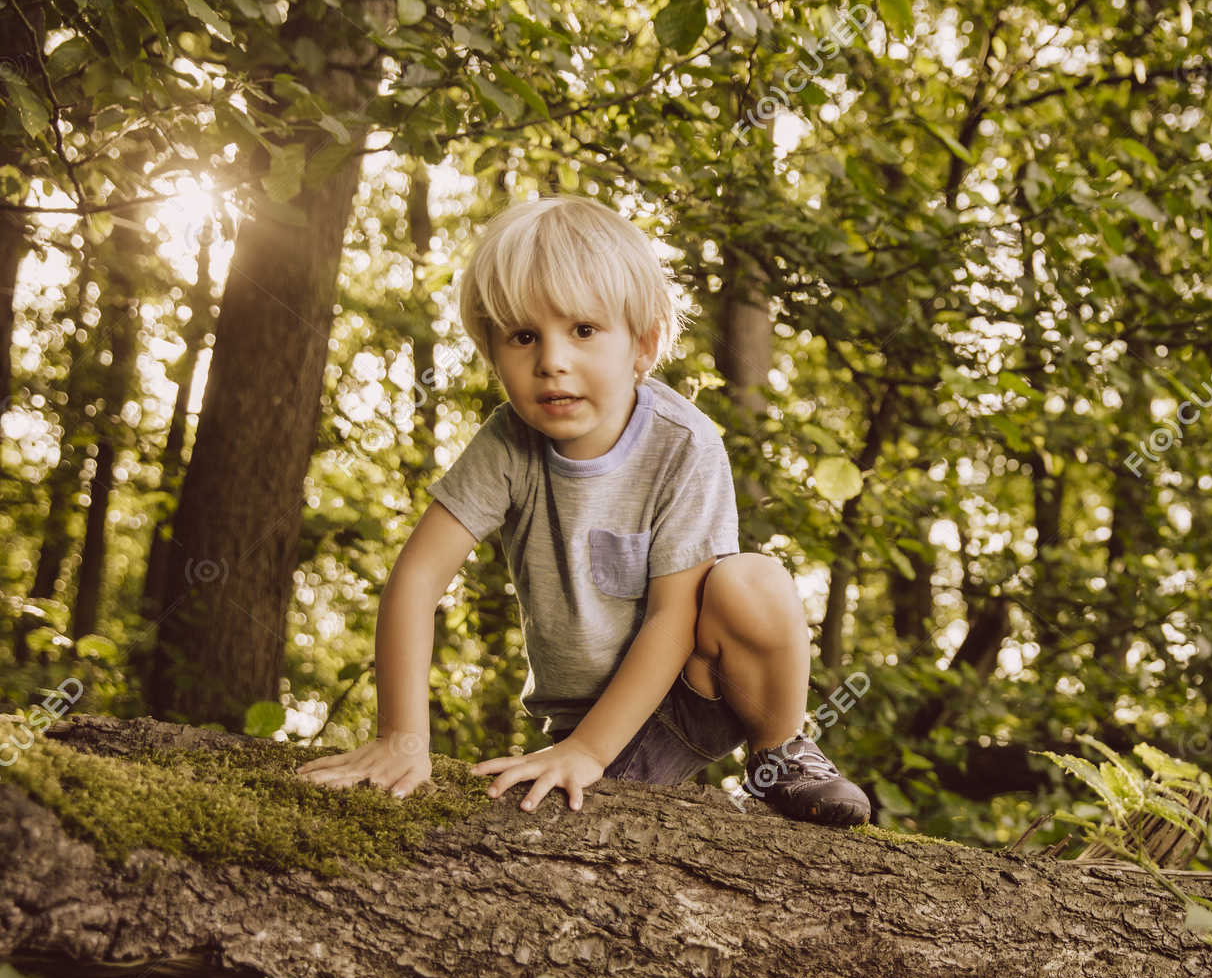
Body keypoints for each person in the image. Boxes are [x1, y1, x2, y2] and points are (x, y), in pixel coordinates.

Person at [298, 194, 869, 827]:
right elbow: (415, 582)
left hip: (689, 689)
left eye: (584, 330)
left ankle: (780, 754)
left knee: (750, 579)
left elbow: (673, 617)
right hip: (578, 715)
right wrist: (402, 739)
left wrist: (589, 753)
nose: (552, 360)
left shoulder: (684, 443)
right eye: (522, 336)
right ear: (493, 354)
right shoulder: (506, 446)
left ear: (644, 344)